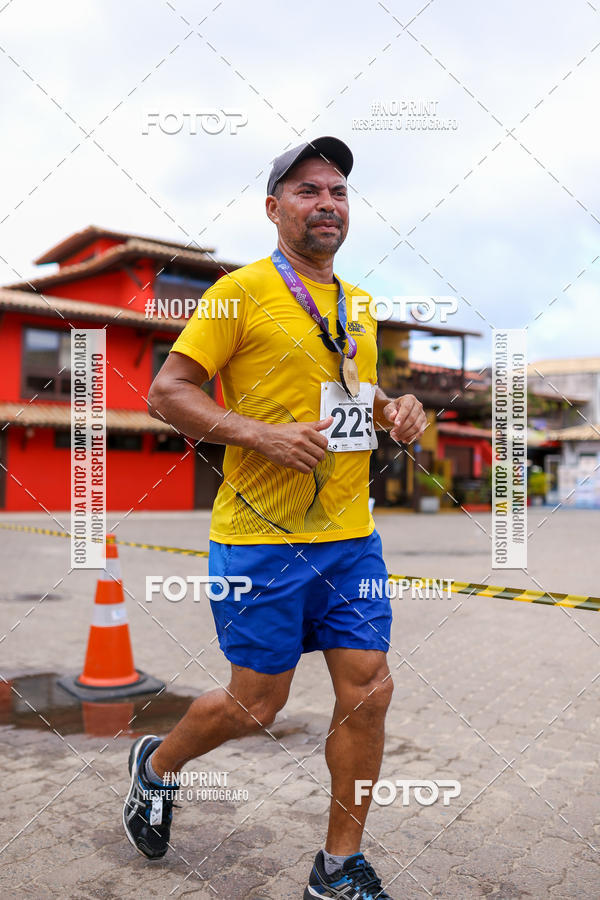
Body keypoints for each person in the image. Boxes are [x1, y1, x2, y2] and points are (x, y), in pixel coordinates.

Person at [123, 136, 426, 899]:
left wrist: (398, 408)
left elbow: (356, 392)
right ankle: (158, 764)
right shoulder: (239, 291)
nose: (327, 203)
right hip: (262, 538)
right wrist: (258, 434)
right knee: (257, 704)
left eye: (338, 193)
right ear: (273, 208)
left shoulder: (357, 303)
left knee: (370, 689)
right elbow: (169, 391)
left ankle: (336, 868)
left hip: (350, 540)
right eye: (307, 191)